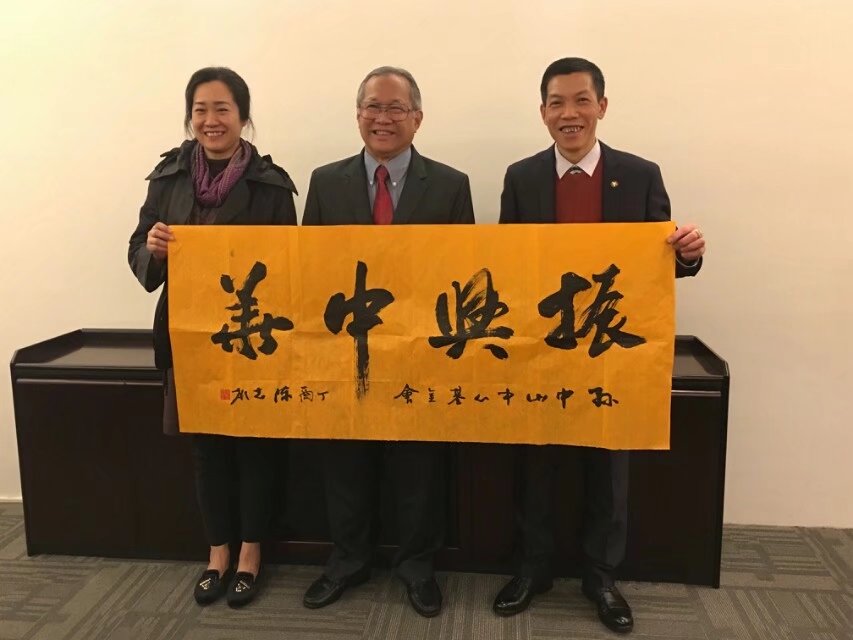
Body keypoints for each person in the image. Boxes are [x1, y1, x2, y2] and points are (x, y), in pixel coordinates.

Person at [493, 57, 706, 634]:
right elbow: (508, 264)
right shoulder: (521, 177)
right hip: (543, 351)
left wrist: (688, 253)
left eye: (581, 100)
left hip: (612, 352)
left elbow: (661, 264)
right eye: (557, 103)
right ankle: (532, 569)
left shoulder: (640, 175)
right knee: (536, 464)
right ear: (543, 113)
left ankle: (601, 578)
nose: (570, 114)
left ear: (602, 107)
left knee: (609, 471)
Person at [301, 66, 474, 618]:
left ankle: (417, 567)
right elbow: (309, 269)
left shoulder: (450, 185)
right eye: (373, 107)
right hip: (345, 350)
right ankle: (348, 561)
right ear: (358, 116)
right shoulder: (325, 182)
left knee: (418, 468)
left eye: (396, 108)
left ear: (417, 118)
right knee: (345, 463)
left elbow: (462, 275)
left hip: (418, 353)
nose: (383, 118)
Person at [127, 67, 297, 608]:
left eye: (222, 108)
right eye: (200, 109)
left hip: (252, 337)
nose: (210, 119)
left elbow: (291, 268)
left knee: (253, 448)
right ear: (189, 116)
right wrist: (152, 249)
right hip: (188, 336)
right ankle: (217, 552)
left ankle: (251, 553)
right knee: (207, 450)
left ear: (243, 117)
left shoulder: (272, 186)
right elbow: (139, 250)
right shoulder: (167, 178)